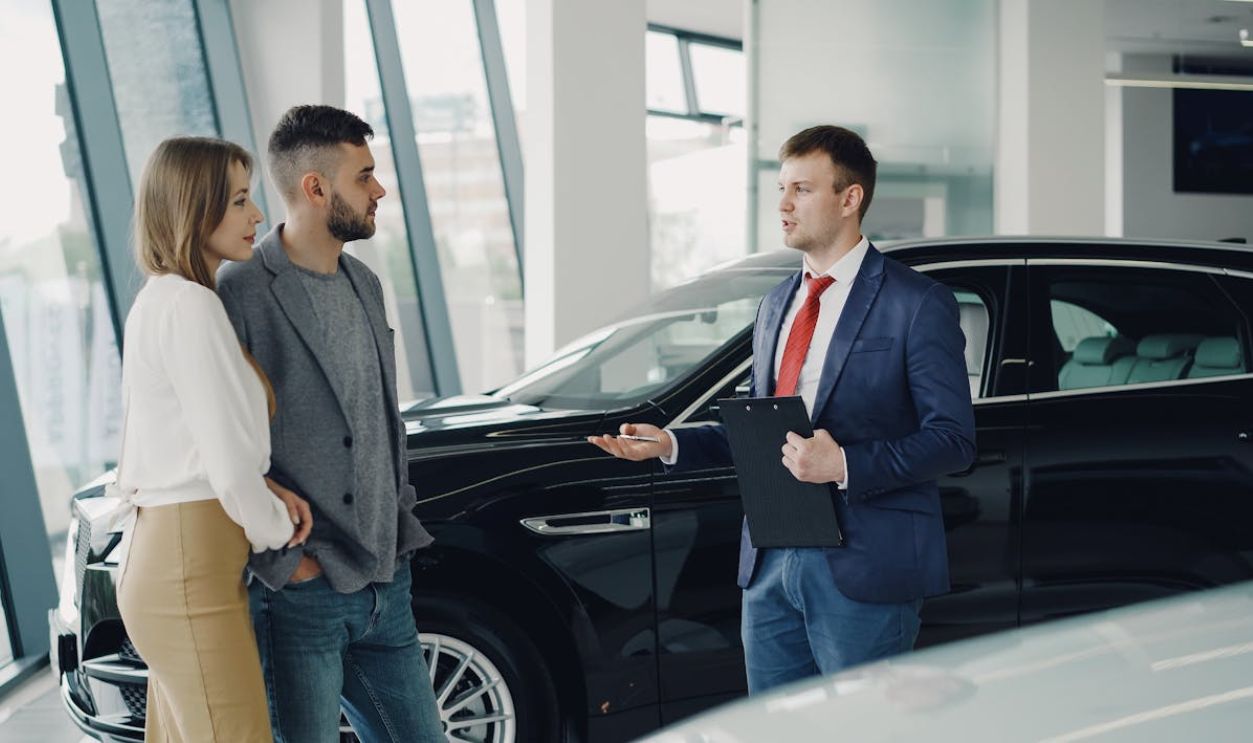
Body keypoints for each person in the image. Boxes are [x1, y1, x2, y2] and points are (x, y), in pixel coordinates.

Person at [589, 125, 975, 694]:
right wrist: (671, 444)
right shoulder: (778, 305)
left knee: (860, 732)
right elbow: (760, 425)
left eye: (801, 189)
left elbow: (953, 439)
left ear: (850, 199)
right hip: (770, 562)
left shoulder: (916, 304)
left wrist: (843, 464)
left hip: (864, 568)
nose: (783, 205)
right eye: (781, 189)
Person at [217, 105, 443, 743]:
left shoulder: (365, 282)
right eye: (364, 175)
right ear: (316, 188)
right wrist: (289, 568)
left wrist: (396, 528)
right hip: (301, 593)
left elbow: (380, 421)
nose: (379, 190)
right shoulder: (242, 292)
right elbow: (220, 438)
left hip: (383, 583)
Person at [113, 136, 314, 742]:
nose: (256, 215)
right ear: (191, 210)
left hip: (172, 555)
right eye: (237, 201)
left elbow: (192, 447)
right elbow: (225, 470)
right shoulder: (192, 307)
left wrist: (264, 483)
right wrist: (283, 536)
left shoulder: (162, 300)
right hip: (188, 565)